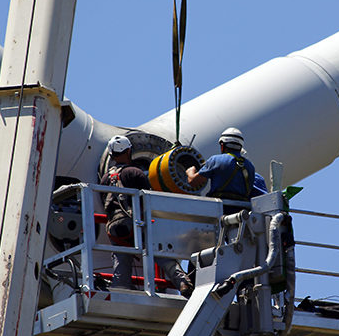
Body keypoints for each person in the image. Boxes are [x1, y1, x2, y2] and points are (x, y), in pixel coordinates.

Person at [99, 135, 193, 296]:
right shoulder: (134, 172)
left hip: (114, 227)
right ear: (129, 151)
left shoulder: (105, 179)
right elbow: (148, 199)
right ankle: (182, 282)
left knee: (121, 258)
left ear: (112, 155)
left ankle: (121, 290)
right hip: (134, 223)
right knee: (159, 251)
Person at [186, 127, 256, 212]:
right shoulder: (250, 167)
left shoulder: (215, 160)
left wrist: (190, 171)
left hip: (219, 210)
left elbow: (193, 182)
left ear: (222, 145)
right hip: (241, 212)